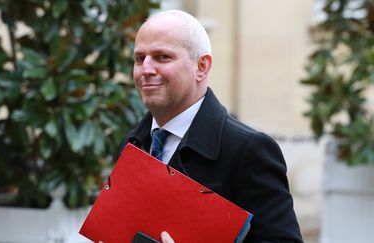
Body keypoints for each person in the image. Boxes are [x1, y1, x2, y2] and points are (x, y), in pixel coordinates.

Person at [117, 10, 303, 243]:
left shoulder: (249, 150)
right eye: (139, 58)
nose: (146, 69)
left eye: (162, 57)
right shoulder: (132, 143)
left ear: (202, 66)